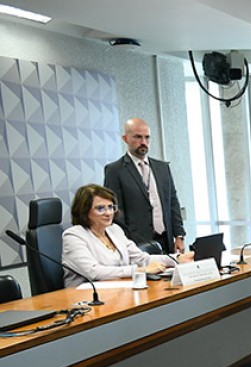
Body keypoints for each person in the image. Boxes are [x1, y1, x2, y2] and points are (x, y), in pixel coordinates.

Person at [61, 184, 190, 288]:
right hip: (86, 298)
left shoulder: (114, 230)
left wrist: (177, 258)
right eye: (100, 208)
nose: (108, 213)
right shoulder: (73, 236)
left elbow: (141, 259)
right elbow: (94, 272)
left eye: (111, 207)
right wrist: (140, 270)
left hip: (119, 291)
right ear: (84, 210)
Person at [103, 117, 187, 255]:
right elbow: (116, 212)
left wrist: (179, 235)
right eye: (138, 137)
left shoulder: (162, 168)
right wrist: (125, 244)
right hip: (137, 244)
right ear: (125, 139)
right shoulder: (115, 170)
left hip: (166, 241)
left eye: (147, 137)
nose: (143, 142)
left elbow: (173, 202)